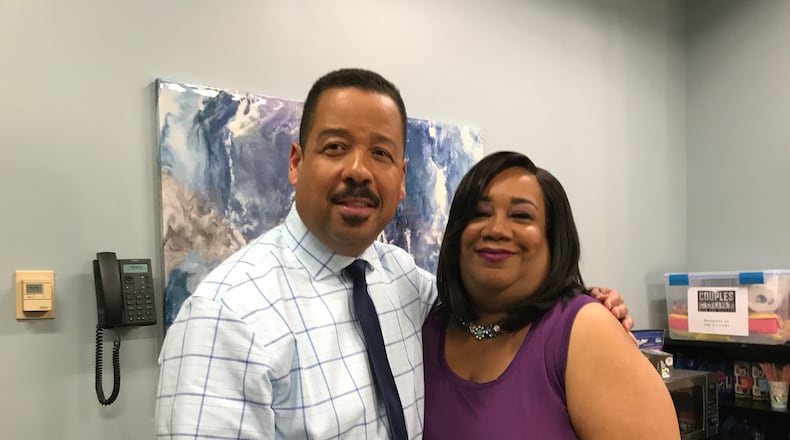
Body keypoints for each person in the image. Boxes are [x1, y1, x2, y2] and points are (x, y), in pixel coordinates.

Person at [156, 68, 633, 439]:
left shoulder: (401, 278)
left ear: (402, 178)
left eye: (381, 154)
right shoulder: (226, 316)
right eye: (335, 147)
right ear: (297, 163)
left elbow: (487, 312)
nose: (359, 170)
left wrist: (582, 306)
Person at [422, 151, 679, 439]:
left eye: (521, 216)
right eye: (480, 214)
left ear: (553, 239)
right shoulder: (427, 327)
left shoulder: (586, 330)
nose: (495, 229)